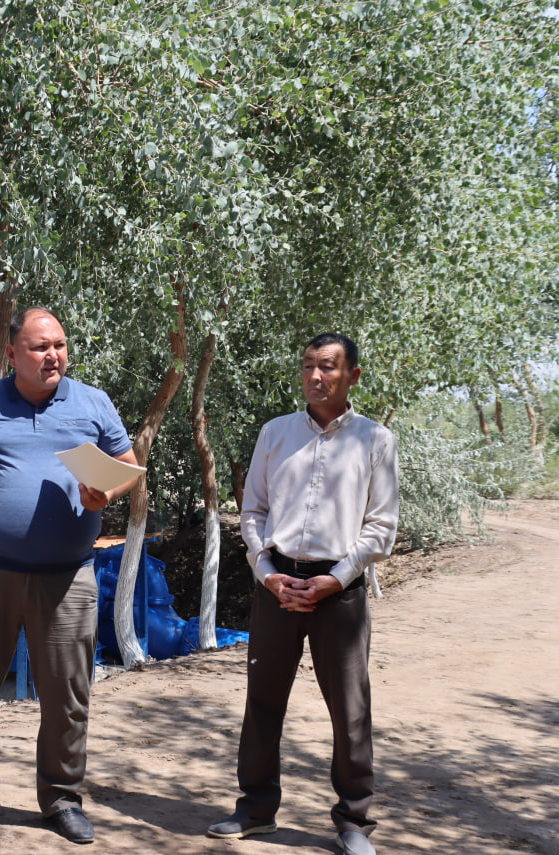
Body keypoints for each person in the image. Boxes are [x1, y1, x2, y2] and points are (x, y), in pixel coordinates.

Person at [0, 306, 141, 845]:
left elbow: (129, 467)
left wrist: (106, 493)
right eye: (41, 347)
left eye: (60, 345)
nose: (53, 355)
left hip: (67, 579)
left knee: (68, 696)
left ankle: (61, 798)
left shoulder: (93, 403)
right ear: (12, 353)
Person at [208, 333, 399, 855]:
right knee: (263, 701)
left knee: (350, 709)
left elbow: (382, 527)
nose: (316, 376)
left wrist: (336, 578)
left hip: (340, 592)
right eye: (309, 365)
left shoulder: (375, 440)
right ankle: (255, 809)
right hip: (277, 587)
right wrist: (267, 572)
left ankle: (354, 822)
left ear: (352, 375)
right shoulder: (276, 433)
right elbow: (253, 511)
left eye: (329, 366)